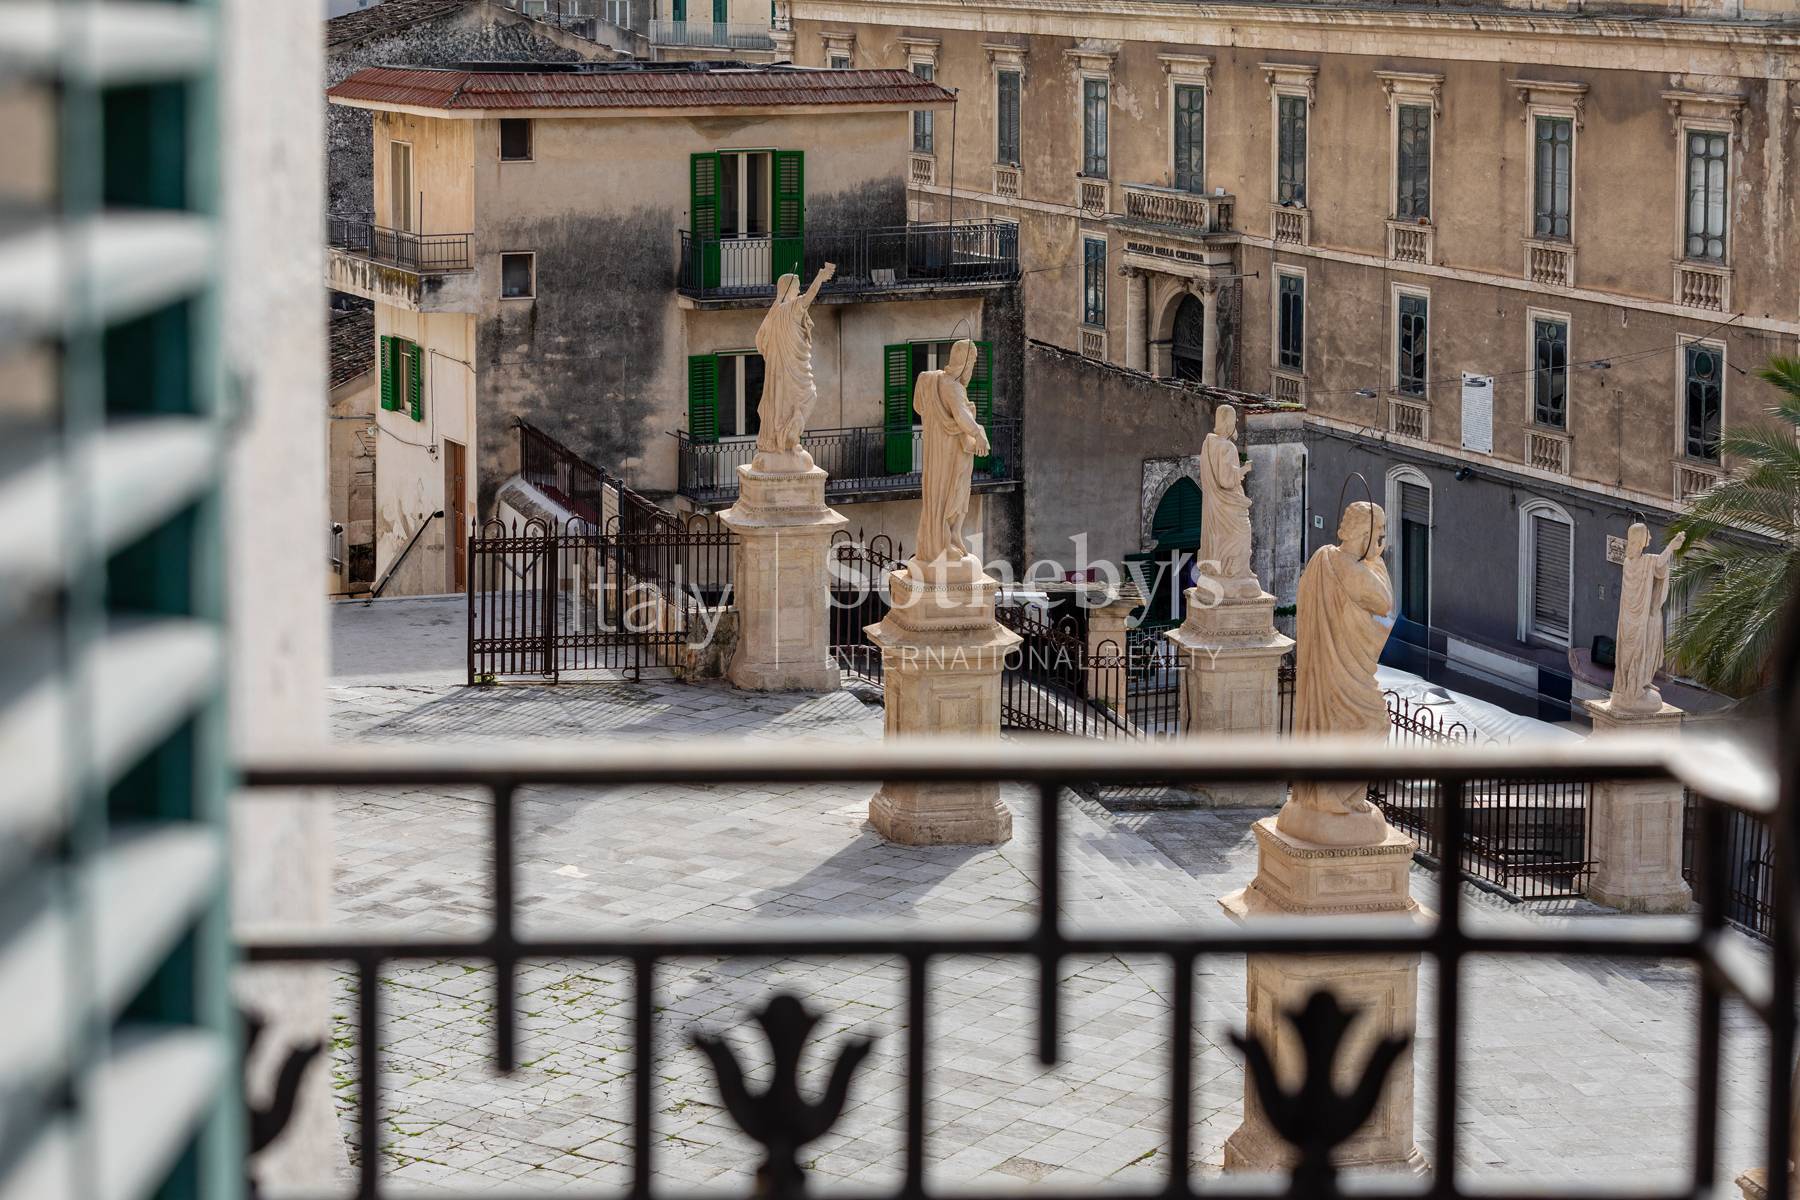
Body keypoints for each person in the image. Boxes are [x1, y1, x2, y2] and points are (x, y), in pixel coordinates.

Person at [1281, 501, 1395, 846]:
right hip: (1344, 671)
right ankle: (1334, 793)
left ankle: (1336, 794)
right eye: (1378, 535)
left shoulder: (1323, 558)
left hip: (1332, 665)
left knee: (1340, 726)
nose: (1381, 542)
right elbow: (1384, 602)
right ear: (1365, 535)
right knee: (1374, 724)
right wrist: (1376, 559)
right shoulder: (1354, 569)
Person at [911, 339, 989, 578]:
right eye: (972, 363)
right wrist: (980, 434)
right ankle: (947, 540)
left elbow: (918, 406)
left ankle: (946, 538)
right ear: (965, 362)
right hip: (951, 454)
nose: (972, 369)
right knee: (954, 493)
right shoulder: (953, 387)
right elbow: (962, 416)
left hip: (940, 450)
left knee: (944, 494)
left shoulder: (930, 379)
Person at [752, 262, 835, 470]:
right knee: (810, 396)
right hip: (789, 369)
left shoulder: (774, 314)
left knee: (785, 403)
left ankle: (788, 438)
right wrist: (820, 277)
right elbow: (809, 297)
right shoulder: (790, 309)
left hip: (785, 367)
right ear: (789, 289)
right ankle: (788, 438)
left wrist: (775, 355)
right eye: (796, 287)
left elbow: (760, 341)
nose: (798, 290)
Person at [1610, 522, 1686, 713]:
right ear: (1640, 539)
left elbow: (1658, 566)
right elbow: (1660, 564)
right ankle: (1634, 687)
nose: (1650, 538)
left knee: (1639, 650)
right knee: (1641, 648)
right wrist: (1671, 547)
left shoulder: (1633, 562)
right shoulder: (1641, 562)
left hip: (1633, 620)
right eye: (1648, 535)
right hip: (1640, 620)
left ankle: (1639, 682)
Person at [1198, 404, 1256, 597]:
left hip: (1216, 504)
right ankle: (1236, 572)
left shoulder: (1209, 443)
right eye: (1234, 420)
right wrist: (1245, 469)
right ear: (1228, 422)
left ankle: (1229, 570)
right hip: (1229, 504)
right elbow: (1226, 480)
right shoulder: (1227, 447)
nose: (1236, 423)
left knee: (1220, 537)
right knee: (1244, 532)